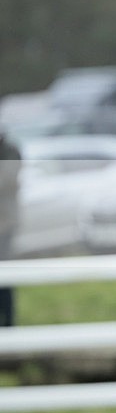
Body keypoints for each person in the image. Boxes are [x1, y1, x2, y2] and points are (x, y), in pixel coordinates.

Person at [0, 132, 21, 326]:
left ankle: (8, 324)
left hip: (4, 225)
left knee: (5, 276)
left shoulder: (9, 151)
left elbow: (6, 181)